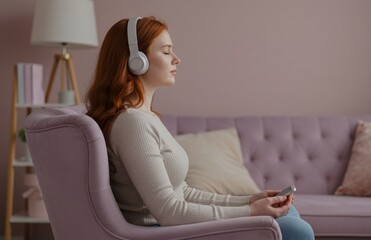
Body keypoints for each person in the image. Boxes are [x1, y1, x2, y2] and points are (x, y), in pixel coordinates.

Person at [85, 16, 314, 239]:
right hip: (159, 231)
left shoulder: (146, 117)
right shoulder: (131, 123)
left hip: (168, 225)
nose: (176, 59)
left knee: (290, 214)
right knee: (297, 231)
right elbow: (169, 211)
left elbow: (183, 192)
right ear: (136, 61)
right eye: (166, 51)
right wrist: (251, 212)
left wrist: (250, 200)